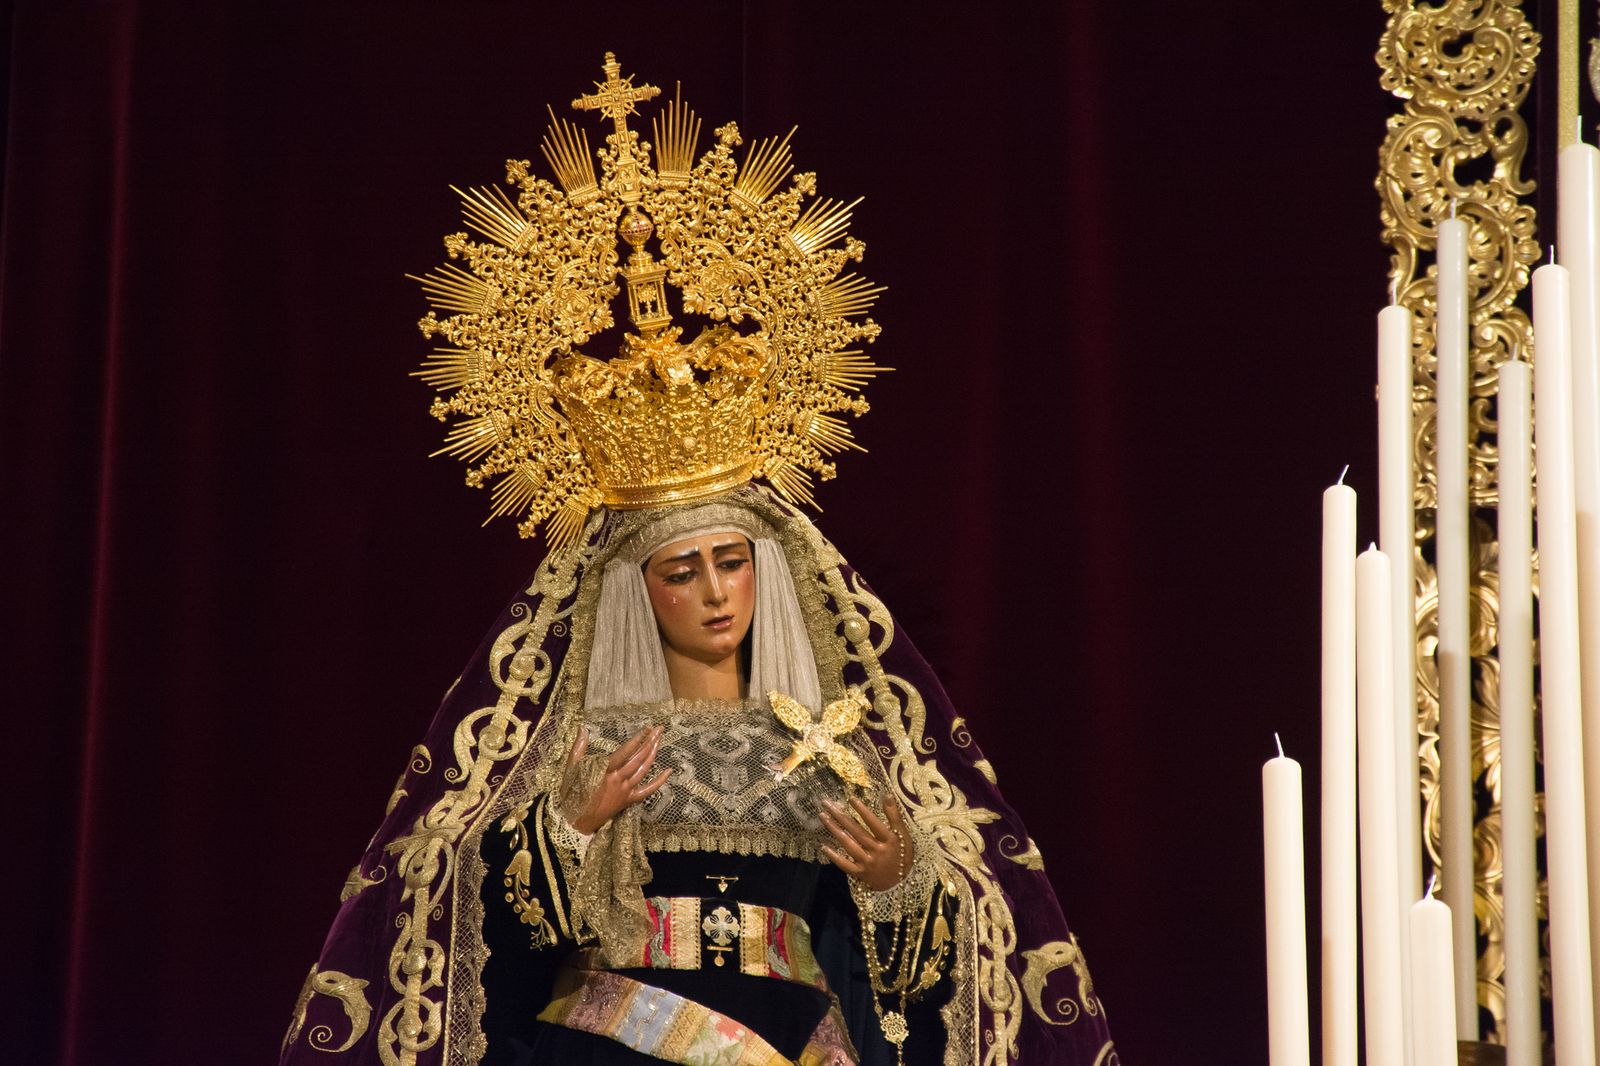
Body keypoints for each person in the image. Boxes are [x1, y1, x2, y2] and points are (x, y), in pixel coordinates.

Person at [279, 54, 1115, 1066]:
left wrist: (899, 877)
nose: (717, 591)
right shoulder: (579, 745)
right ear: (635, 593)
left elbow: (901, 970)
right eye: (682, 571)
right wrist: (572, 832)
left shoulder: (830, 745)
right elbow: (473, 915)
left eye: (733, 560)